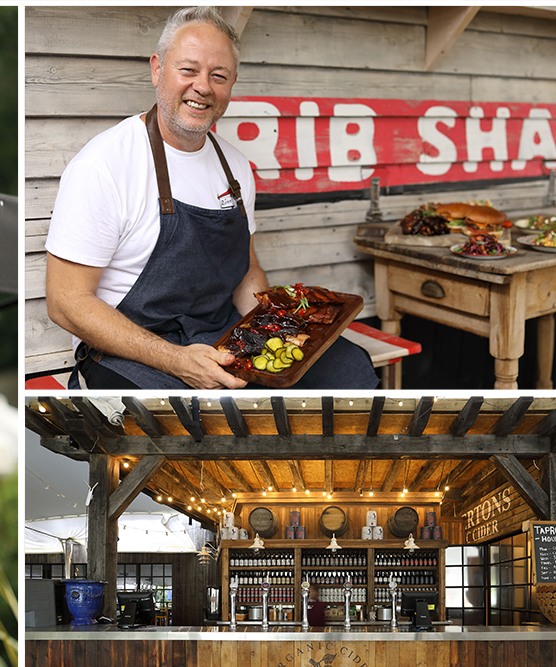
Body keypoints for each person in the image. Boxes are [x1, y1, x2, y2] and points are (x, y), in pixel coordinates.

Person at [44, 6, 380, 390]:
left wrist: (280, 330)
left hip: (221, 338)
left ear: (232, 83)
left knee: (350, 370)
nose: (203, 86)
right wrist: (175, 360)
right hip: (131, 353)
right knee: (192, 427)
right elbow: (66, 301)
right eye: (188, 70)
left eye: (218, 76)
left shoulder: (235, 167)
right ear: (157, 69)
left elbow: (245, 272)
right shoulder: (104, 164)